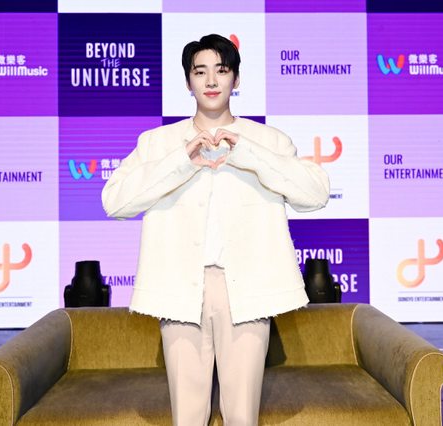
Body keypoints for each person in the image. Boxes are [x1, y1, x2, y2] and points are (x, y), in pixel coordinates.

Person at [102, 34, 330, 426]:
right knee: (188, 416)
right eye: (200, 72)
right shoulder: (157, 143)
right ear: (188, 81)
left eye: (221, 71)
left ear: (235, 80)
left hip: (247, 289)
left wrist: (248, 153)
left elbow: (315, 195)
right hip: (180, 288)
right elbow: (115, 202)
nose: (211, 81)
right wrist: (181, 160)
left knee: (242, 415)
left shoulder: (268, 140)